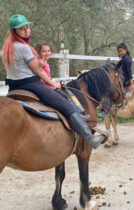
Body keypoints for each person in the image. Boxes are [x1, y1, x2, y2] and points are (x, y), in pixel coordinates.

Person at [2, 14, 102, 149]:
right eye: (22, 29)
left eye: (27, 27)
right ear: (15, 32)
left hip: (13, 87)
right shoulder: (23, 47)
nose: (27, 31)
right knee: (65, 105)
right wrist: (55, 84)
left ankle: (79, 118)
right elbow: (38, 71)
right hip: (30, 84)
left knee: (61, 98)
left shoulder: (9, 47)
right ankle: (90, 138)